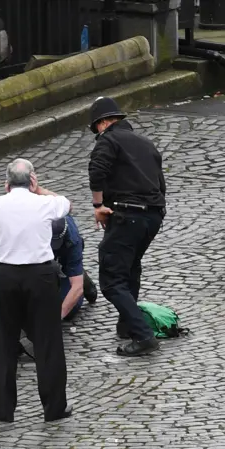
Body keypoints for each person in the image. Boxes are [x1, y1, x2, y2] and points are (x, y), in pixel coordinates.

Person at [0, 158, 73, 423]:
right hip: (40, 275)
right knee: (48, 341)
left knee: (3, 341)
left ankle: (3, 409)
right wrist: (40, 190)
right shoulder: (44, 203)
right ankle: (54, 408)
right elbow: (67, 204)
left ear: (6, 183)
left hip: (6, 274)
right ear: (32, 180)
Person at [88, 96, 166, 357]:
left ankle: (143, 336)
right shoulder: (146, 143)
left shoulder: (108, 140)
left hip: (127, 214)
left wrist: (98, 206)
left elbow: (97, 171)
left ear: (102, 123)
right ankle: (127, 325)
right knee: (130, 267)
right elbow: (161, 184)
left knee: (111, 280)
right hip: (152, 216)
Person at [51, 215, 98, 320]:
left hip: (66, 254)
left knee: (69, 310)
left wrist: (57, 319)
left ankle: (80, 275)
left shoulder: (73, 239)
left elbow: (76, 288)